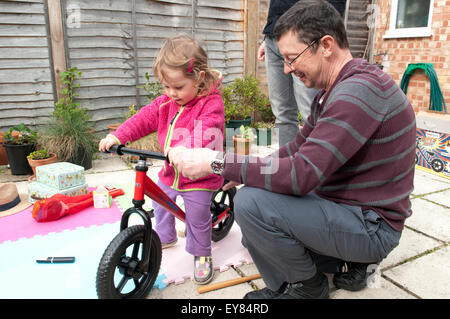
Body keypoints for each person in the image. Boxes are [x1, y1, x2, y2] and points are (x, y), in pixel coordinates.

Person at [167, 0, 416, 299]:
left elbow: (301, 175)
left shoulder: (356, 93)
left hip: (371, 226)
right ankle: (342, 262)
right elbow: (296, 148)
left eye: (291, 57)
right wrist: (239, 170)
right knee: (255, 236)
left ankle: (305, 287)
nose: (286, 69)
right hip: (348, 205)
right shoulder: (334, 91)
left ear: (326, 45)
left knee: (251, 205)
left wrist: (218, 162)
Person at [99, 34, 225, 285]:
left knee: (198, 217)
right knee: (159, 203)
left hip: (199, 176)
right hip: (171, 171)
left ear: (199, 79)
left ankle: (202, 254)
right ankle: (165, 237)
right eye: (166, 86)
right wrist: (118, 136)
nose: (171, 93)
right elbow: (143, 119)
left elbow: (208, 129)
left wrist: (184, 148)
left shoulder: (211, 104)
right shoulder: (165, 102)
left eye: (178, 87)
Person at [259, 0, 345, 146]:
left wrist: (320, 35)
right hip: (273, 38)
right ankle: (288, 164)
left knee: (311, 115)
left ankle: (317, 164)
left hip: (305, 41)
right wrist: (268, 37)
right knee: (282, 114)